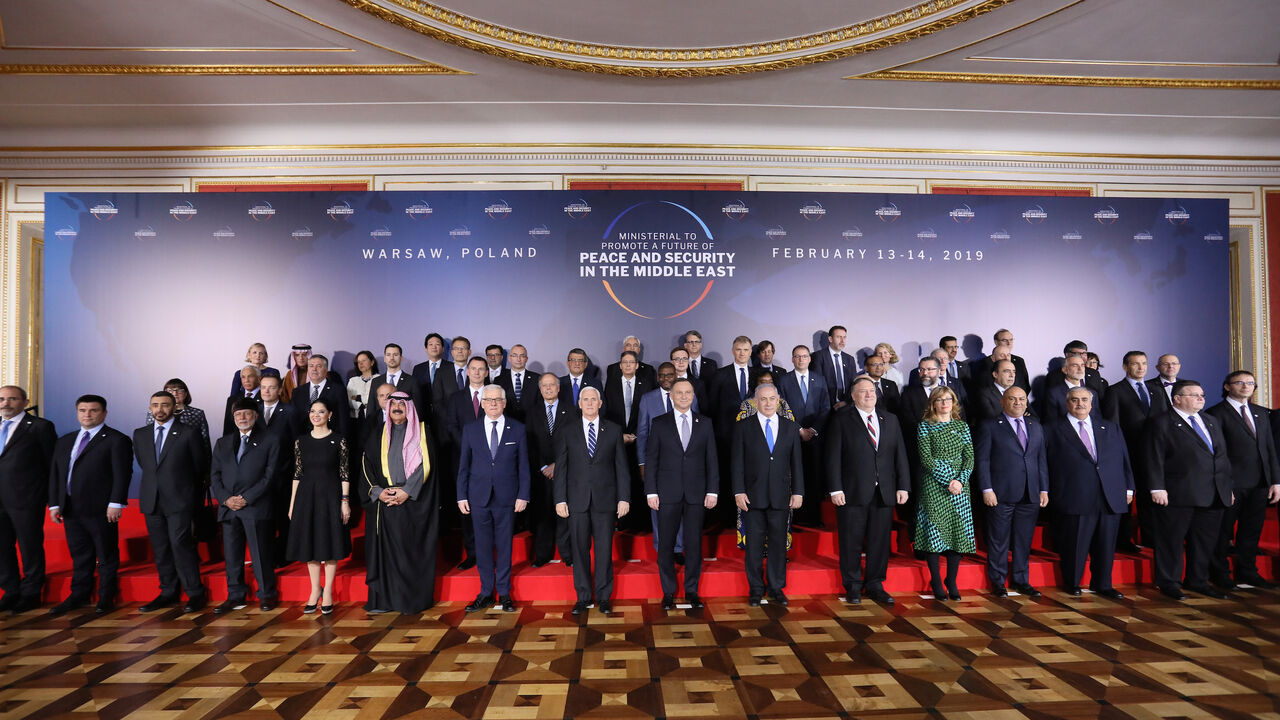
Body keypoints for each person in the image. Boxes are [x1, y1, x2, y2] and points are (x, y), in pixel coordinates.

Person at [1144, 380, 1234, 600]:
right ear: (1177, 398)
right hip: (1177, 493)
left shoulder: (1211, 421)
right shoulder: (1162, 422)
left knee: (1204, 541)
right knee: (1171, 540)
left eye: (1201, 394)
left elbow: (1222, 458)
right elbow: (1152, 457)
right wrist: (1157, 487)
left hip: (1213, 493)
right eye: (1194, 395)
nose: (1200, 398)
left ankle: (1197, 580)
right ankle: (1169, 581)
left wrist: (1226, 487)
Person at [825, 377, 909, 605]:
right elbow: (832, 458)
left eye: (871, 391)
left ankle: (875, 584)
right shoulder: (842, 419)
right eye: (863, 392)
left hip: (884, 491)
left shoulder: (890, 419)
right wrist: (835, 488)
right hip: (852, 492)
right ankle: (852, 586)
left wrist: (903, 485)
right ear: (853, 396)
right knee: (851, 541)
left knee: (879, 542)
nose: (869, 395)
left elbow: (899, 455)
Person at [47, 394, 131, 615]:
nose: (87, 415)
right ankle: (79, 595)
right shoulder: (65, 440)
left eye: (93, 410)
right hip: (70, 508)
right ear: (77, 412)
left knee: (106, 555)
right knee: (80, 554)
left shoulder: (116, 439)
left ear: (104, 413)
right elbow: (56, 474)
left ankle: (105, 597)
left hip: (101, 509)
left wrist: (116, 502)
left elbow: (122, 474)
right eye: (82, 410)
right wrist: (54, 504)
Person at [1045, 387, 1133, 598]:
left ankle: (1102, 584)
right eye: (1074, 400)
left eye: (1084, 400)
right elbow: (1045, 464)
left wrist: (1129, 487)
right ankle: (1073, 582)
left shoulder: (1110, 428)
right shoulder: (1051, 429)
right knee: (1075, 544)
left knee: (1106, 544)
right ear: (1067, 403)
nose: (1080, 404)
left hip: (1110, 494)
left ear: (1092, 403)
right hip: (1074, 494)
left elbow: (1124, 460)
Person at [361, 392, 440, 614]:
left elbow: (427, 465)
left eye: (401, 404)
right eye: (393, 403)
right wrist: (378, 492)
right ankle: (384, 601)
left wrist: (407, 491)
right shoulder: (378, 433)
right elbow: (366, 465)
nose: (397, 407)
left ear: (410, 408)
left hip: (413, 504)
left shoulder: (423, 432)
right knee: (385, 555)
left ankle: (409, 601)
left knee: (408, 555)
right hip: (385, 503)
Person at [554, 386, 629, 615]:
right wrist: (560, 499)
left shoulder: (614, 430)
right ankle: (584, 597)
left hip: (606, 501)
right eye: (584, 399)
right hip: (576, 500)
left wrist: (624, 498)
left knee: (605, 550)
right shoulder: (567, 430)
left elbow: (621, 467)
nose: (588, 403)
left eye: (592, 399)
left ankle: (604, 597)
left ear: (600, 403)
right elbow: (562, 468)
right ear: (579, 403)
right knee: (579, 550)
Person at [645, 378, 718, 610]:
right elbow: (652, 459)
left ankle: (691, 590)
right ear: (671, 396)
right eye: (679, 393)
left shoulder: (705, 423)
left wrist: (712, 490)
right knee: (666, 544)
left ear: (693, 395)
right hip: (667, 493)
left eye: (688, 392)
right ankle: (668, 592)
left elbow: (711, 459)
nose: (684, 396)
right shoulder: (659, 423)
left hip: (697, 493)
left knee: (694, 544)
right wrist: (651, 492)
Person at [457, 385, 530, 613]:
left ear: (505, 403)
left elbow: (524, 466)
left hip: (507, 497)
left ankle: (505, 593)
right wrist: (461, 496)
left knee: (505, 547)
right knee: (483, 547)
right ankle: (486, 592)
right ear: (483, 403)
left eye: (497, 400)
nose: (493, 404)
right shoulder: (470, 430)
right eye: (488, 400)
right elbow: (463, 466)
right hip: (478, 497)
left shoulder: (517, 429)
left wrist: (523, 495)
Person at [1205, 371, 1280, 589]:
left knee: (1251, 530)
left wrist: (1275, 481)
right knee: (1223, 531)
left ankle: (1247, 571)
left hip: (1259, 483)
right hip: (1231, 483)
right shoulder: (1215, 413)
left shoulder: (1260, 413)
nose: (1246, 386)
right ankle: (1220, 573)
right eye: (1240, 382)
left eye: (1250, 383)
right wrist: (1223, 483)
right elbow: (1217, 454)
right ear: (1227, 386)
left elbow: (1269, 450)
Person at [135, 390, 209, 613]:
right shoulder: (140, 434)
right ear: (150, 408)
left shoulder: (188, 433)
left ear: (174, 407)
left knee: (180, 545)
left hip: (180, 500)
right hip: (152, 500)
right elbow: (145, 465)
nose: (160, 409)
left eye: (165, 405)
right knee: (161, 548)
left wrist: (191, 497)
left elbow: (199, 467)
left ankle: (195, 593)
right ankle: (168, 591)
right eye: (155, 405)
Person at [731, 384, 803, 606]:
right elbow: (736, 462)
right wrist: (738, 491)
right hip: (751, 496)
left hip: (781, 496)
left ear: (779, 400)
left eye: (772, 399)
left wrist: (798, 492)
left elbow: (797, 463)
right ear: (756, 401)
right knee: (753, 545)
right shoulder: (743, 427)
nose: (768, 403)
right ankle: (755, 588)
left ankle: (775, 587)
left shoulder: (791, 427)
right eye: (763, 399)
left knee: (778, 543)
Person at [974, 386, 1048, 597]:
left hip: (1030, 493)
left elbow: (1041, 459)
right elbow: (983, 459)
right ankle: (998, 582)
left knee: (1024, 540)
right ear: (1003, 402)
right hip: (1000, 493)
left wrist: (1044, 489)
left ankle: (1020, 580)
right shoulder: (989, 426)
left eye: (1022, 399)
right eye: (1013, 399)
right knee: (998, 540)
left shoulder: (1036, 425)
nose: (1018, 403)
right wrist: (986, 488)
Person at [210, 398, 279, 613]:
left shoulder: (270, 440)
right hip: (229, 508)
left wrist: (246, 498)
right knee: (232, 556)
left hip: (255, 507)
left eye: (247, 414)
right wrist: (226, 499)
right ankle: (235, 595)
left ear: (256, 416)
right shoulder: (223, 442)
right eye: (238, 414)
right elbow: (215, 475)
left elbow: (270, 475)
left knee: (260, 554)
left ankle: (266, 595)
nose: (242, 418)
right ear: (233, 417)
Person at [287, 398, 351, 614]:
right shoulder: (301, 441)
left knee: (330, 544)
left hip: (330, 496)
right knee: (310, 546)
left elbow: (344, 473)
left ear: (329, 415)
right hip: (306, 497)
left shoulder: (338, 440)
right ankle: (315, 590)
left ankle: (329, 592)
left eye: (321, 411)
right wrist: (292, 504)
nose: (316, 415)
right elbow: (297, 474)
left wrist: (345, 502)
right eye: (313, 411)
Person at [914, 386, 975, 601]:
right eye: (939, 400)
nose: (944, 403)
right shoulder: (925, 426)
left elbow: (969, 458)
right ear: (933, 403)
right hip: (935, 485)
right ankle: (937, 582)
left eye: (948, 399)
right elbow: (926, 459)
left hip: (960, 486)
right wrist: (948, 480)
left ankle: (951, 580)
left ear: (954, 401)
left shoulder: (962, 426)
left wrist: (960, 481)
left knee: (956, 533)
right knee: (935, 533)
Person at [0, 385, 56, 613]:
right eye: (2, 398)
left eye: (12, 399)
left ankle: (32, 592)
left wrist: (51, 498)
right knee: (2, 548)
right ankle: (10, 590)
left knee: (29, 546)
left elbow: (52, 465)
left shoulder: (40, 427)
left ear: (24, 401)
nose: (6, 403)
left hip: (27, 498)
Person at [1103, 350, 1159, 553]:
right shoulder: (1115, 391)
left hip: (1154, 454)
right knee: (1126, 498)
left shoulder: (1156, 390)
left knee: (1150, 496)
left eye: (1144, 363)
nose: (1141, 367)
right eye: (1136, 364)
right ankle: (1123, 540)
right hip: (1129, 452)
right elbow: (1113, 425)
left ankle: (1151, 537)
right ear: (1125, 367)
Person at [777, 345, 831, 527]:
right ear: (792, 359)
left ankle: (814, 518)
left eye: (804, 356)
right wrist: (799, 430)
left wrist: (813, 430)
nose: (801, 359)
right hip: (792, 437)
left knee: (815, 477)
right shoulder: (783, 380)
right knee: (794, 476)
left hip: (815, 438)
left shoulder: (820, 379)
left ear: (809, 359)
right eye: (797, 356)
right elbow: (782, 409)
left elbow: (826, 408)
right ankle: (796, 519)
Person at [446, 356, 492, 568]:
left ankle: (490, 552)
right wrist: (469, 448)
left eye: (481, 369)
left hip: (491, 461)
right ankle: (473, 554)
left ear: (486, 372)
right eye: (473, 369)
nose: (476, 372)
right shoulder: (456, 398)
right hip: (463, 461)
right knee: (468, 510)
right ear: (467, 371)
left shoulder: (495, 396)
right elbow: (452, 427)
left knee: (490, 507)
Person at [525, 372, 574, 567]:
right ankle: (542, 554)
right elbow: (529, 443)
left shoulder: (571, 410)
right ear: (540, 388)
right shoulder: (532, 412)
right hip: (541, 472)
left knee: (564, 513)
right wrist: (544, 466)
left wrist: (557, 465)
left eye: (552, 385)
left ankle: (567, 554)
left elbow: (573, 441)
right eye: (544, 385)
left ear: (558, 387)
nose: (548, 388)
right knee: (542, 514)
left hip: (565, 471)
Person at [258, 375, 296, 563]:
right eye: (263, 387)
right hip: (257, 476)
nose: (266, 391)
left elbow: (296, 443)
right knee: (263, 518)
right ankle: (265, 555)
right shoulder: (253, 411)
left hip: (283, 473)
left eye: (271, 387)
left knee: (282, 516)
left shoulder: (289, 411)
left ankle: (283, 555)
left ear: (280, 390)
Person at [291, 355, 350, 439]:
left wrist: (342, 442)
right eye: (311, 366)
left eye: (318, 366)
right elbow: (293, 420)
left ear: (326, 370)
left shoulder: (338, 390)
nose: (314, 369)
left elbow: (343, 420)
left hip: (329, 439)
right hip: (303, 440)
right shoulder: (297, 392)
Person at [147, 378, 210, 446]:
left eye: (179, 390)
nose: (175, 393)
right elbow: (150, 437)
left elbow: (204, 439)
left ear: (186, 394)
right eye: (170, 390)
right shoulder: (154, 413)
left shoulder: (197, 413)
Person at [1040, 355, 1101, 421]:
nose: (1080, 369)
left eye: (1082, 365)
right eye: (1075, 365)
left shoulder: (1093, 392)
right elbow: (1051, 422)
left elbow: (1097, 419)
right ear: (1065, 370)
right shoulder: (1054, 394)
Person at [970, 329, 1031, 394]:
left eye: (1011, 340)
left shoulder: (1019, 361)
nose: (1009, 343)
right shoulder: (982, 364)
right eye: (1005, 340)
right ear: (996, 342)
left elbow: (1025, 385)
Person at [812, 326, 857, 407]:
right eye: (839, 337)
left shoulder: (849, 359)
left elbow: (854, 384)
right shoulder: (818, 356)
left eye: (844, 337)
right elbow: (817, 383)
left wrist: (846, 402)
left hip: (846, 406)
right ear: (830, 339)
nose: (842, 341)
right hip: (826, 405)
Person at [972, 357, 1026, 423]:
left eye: (1014, 372)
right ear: (995, 374)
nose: (1012, 375)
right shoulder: (983, 394)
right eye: (1007, 371)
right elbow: (991, 419)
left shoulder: (1019, 392)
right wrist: (1018, 415)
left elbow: (1032, 416)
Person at [495, 344, 538, 422]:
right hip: (506, 424)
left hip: (532, 426)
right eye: (515, 356)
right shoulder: (498, 380)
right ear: (509, 358)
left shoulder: (537, 379)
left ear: (526, 359)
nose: (518, 359)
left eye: (522, 356)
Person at [410, 332, 447, 416]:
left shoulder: (451, 367)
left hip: (445, 414)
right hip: (424, 413)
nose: (434, 347)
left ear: (443, 348)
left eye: (437, 344)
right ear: (426, 348)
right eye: (430, 344)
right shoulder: (418, 369)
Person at [223, 366, 264, 436]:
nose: (246, 380)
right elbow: (228, 427)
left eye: (250, 376)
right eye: (243, 377)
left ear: (259, 378)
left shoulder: (266, 397)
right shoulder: (232, 399)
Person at [346, 349, 380, 424]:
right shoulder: (353, 380)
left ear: (372, 362)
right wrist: (364, 404)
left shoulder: (380, 379)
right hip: (355, 419)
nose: (361, 363)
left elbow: (378, 400)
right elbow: (349, 400)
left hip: (375, 418)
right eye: (358, 362)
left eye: (364, 360)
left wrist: (358, 397)